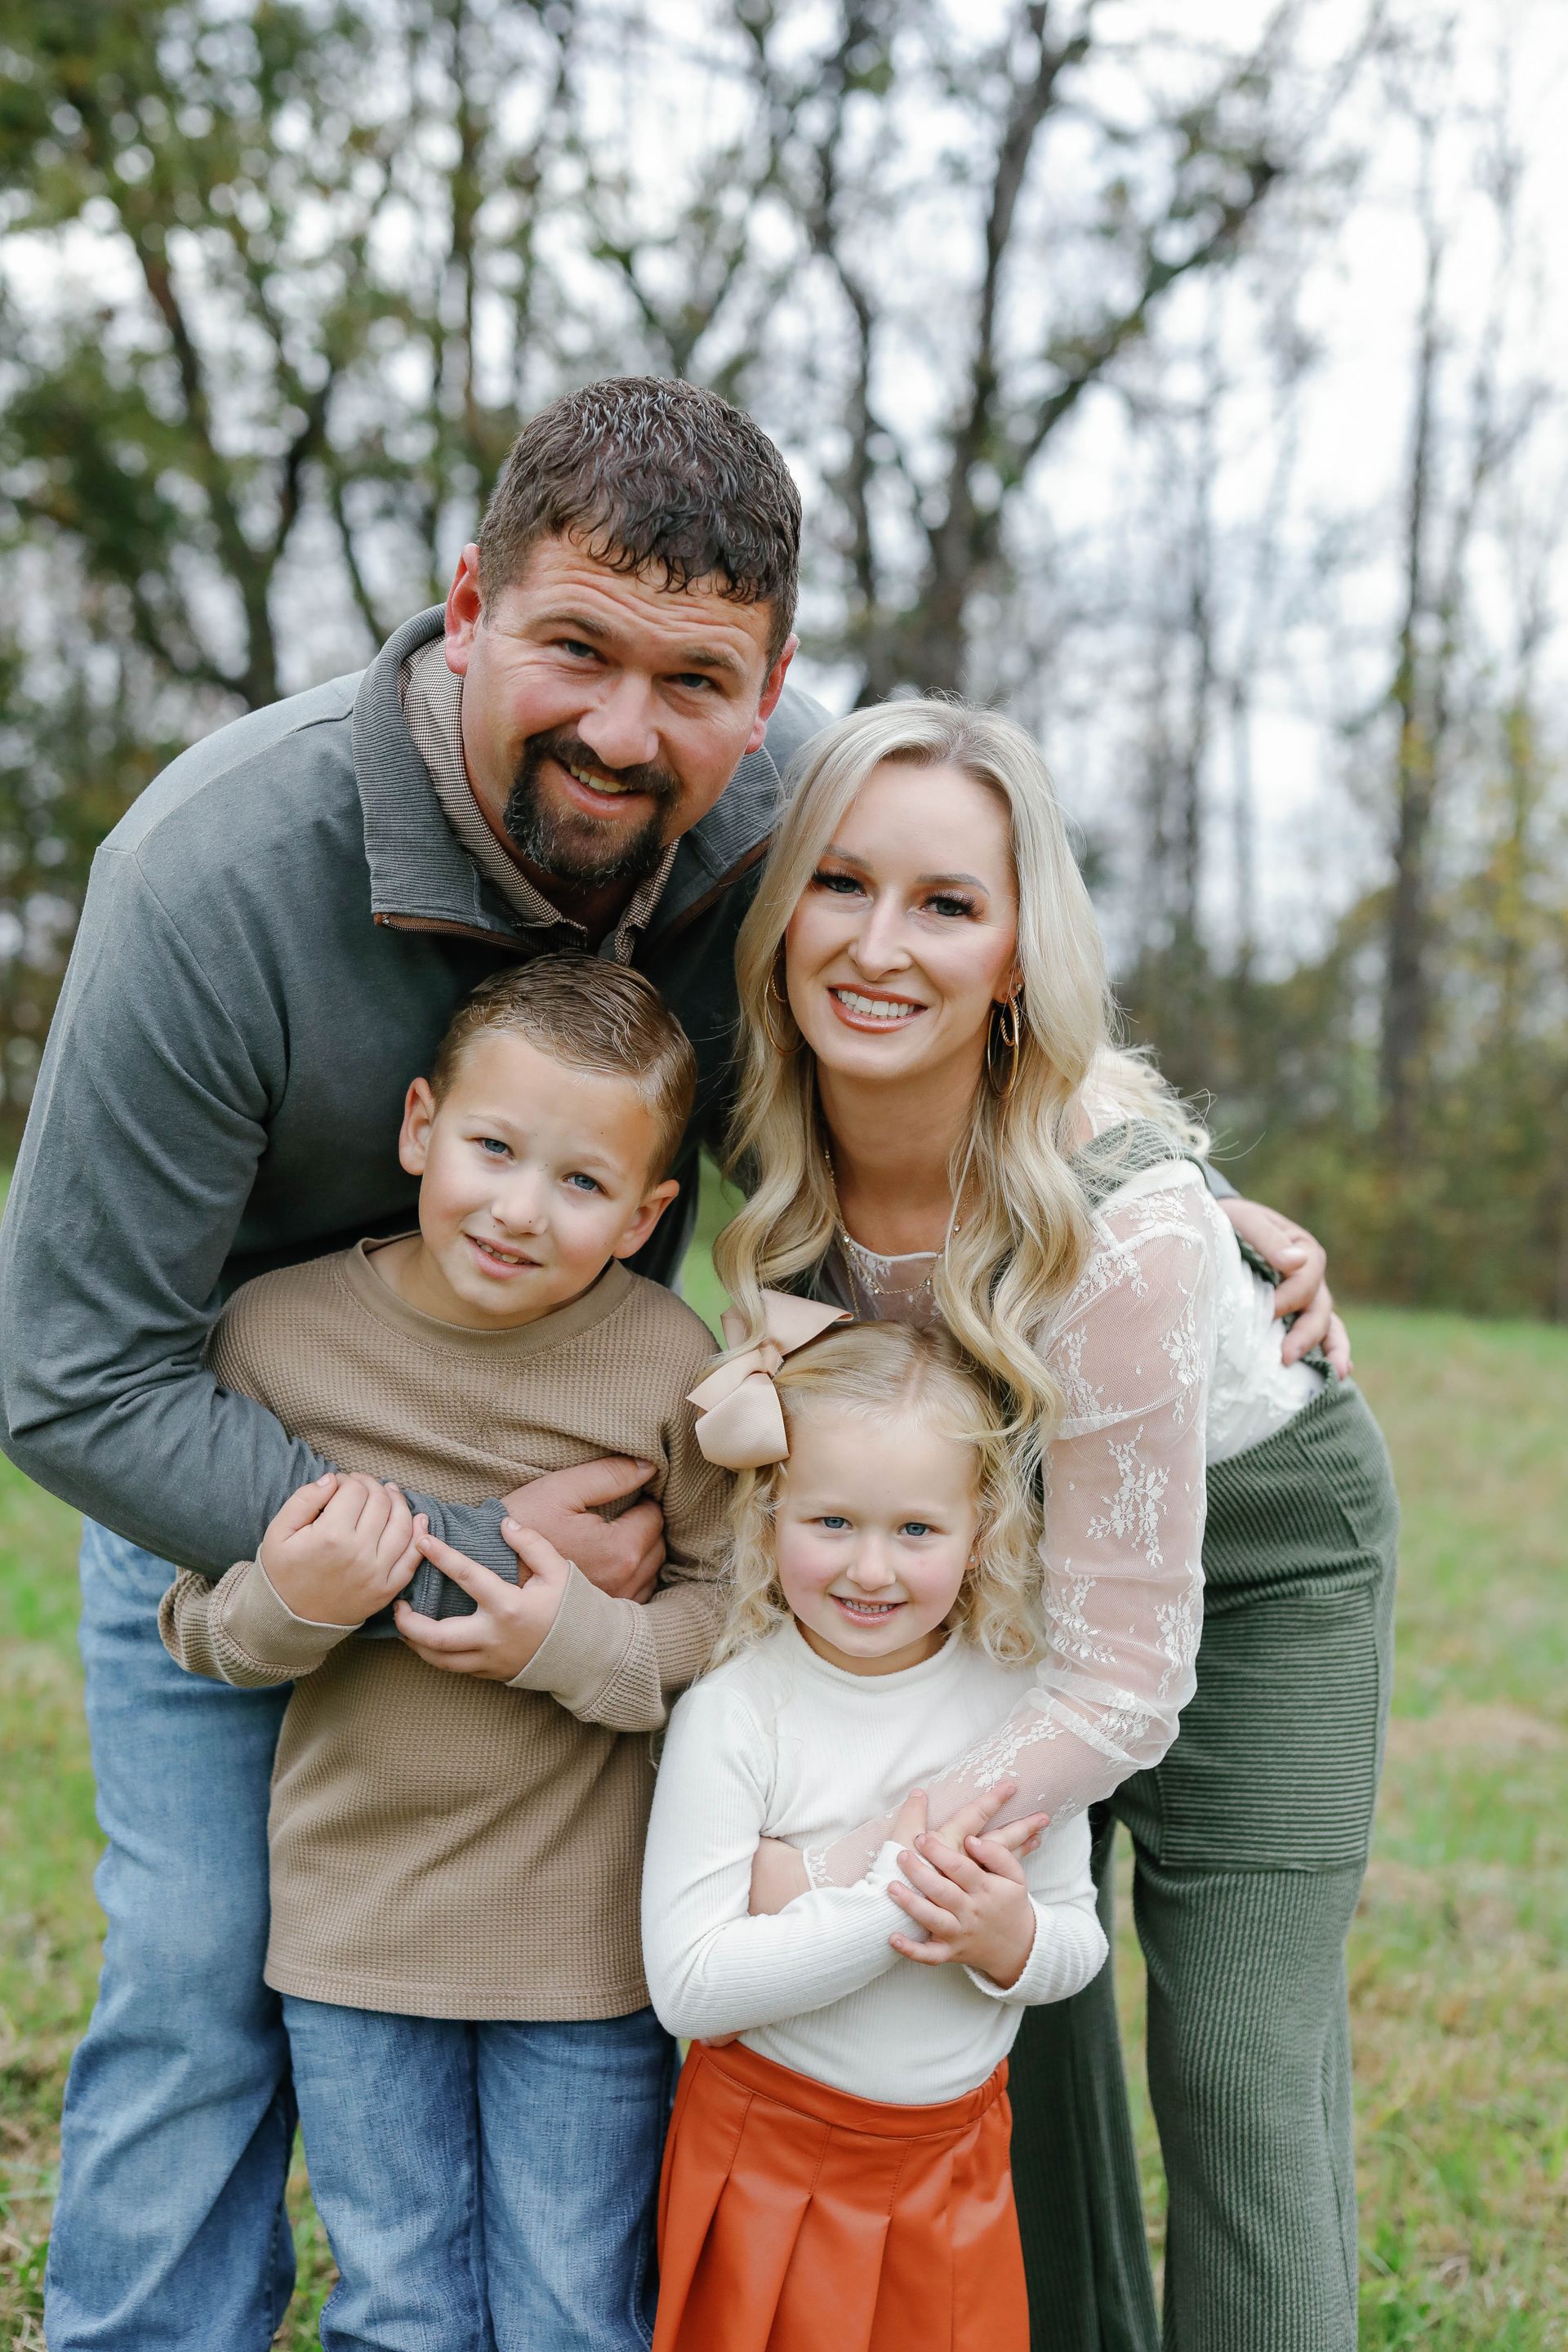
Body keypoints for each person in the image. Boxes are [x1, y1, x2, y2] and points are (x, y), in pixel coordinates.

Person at [0, 369, 1336, 2345]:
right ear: (468, 603)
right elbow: (67, 1376)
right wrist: (432, 1543)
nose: (628, 730)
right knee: (202, 1981)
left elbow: (979, 1006)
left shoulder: (788, 826)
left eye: (696, 679)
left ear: (773, 681)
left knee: (632, 1983)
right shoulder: (211, 877)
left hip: (622, 1512)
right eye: (572, 649)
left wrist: (1157, 1186)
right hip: (250, 1480)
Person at [719, 697, 1398, 2352]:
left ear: (1020, 954)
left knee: (1238, 2060)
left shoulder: (1124, 1226)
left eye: (948, 906)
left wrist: (858, 1847)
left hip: (1252, 1564)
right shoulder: (762, 1125)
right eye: (841, 886)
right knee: (999, 1997)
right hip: (993, 1547)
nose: (881, 946)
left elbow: (1124, 1689)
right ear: (779, 905)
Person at [160, 955, 729, 2349]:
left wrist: (575, 1644)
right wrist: (298, 1595)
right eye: (492, 1149)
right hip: (359, 1931)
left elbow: (729, 1611)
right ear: (420, 1126)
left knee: (571, 2312)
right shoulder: (277, 1339)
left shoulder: (664, 1362)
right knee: (399, 2301)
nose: (522, 1212)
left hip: (585, 1949)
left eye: (584, 1185)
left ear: (651, 1213)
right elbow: (196, 1625)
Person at [642, 1316, 1109, 2352]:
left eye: (915, 1530)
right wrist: (894, 1894)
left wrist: (1004, 1938)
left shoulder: (1023, 1709)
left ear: (981, 1529)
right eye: (832, 1522)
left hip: (953, 2163)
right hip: (772, 2154)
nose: (870, 1569)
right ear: (768, 1518)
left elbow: (1077, 1941)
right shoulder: (737, 1713)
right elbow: (690, 1984)